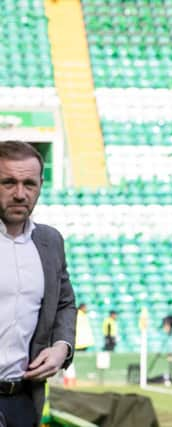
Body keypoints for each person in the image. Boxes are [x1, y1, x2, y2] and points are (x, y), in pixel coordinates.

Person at [0, 140, 76, 426]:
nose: (20, 194)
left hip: (23, 402)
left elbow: (65, 303)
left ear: (41, 184)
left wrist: (62, 347)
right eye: (8, 182)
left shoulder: (50, 242)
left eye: (29, 184)